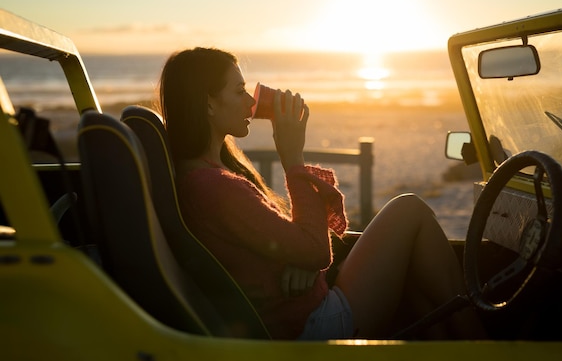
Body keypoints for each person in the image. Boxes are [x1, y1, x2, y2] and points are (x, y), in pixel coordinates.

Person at [159, 47, 483, 340]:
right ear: (208, 103)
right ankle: (487, 346)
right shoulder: (215, 187)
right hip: (314, 324)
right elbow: (316, 249)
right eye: (239, 90)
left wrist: (303, 262)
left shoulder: (205, 178)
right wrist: (292, 158)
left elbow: (292, 243)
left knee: (421, 287)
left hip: (303, 309)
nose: (250, 102)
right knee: (410, 210)